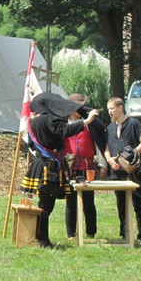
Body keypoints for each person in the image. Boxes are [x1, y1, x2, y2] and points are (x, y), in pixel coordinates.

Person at [20, 92, 101, 248]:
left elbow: (31, 145)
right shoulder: (51, 119)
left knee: (44, 203)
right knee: (46, 205)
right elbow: (65, 131)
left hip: (39, 163)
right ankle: (42, 239)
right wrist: (87, 121)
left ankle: (40, 237)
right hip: (49, 167)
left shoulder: (33, 122)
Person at [105, 97, 141, 245]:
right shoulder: (110, 128)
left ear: (120, 108)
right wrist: (109, 159)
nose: (110, 111)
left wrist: (131, 155)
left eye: (112, 108)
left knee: (138, 203)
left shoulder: (134, 124)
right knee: (121, 205)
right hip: (117, 172)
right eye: (108, 109)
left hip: (133, 172)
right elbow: (106, 149)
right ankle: (125, 234)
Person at [63, 93, 107, 239]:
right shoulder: (63, 123)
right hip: (69, 168)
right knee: (71, 202)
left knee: (88, 202)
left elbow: (99, 144)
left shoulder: (91, 123)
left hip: (87, 167)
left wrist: (102, 164)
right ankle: (71, 234)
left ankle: (90, 233)